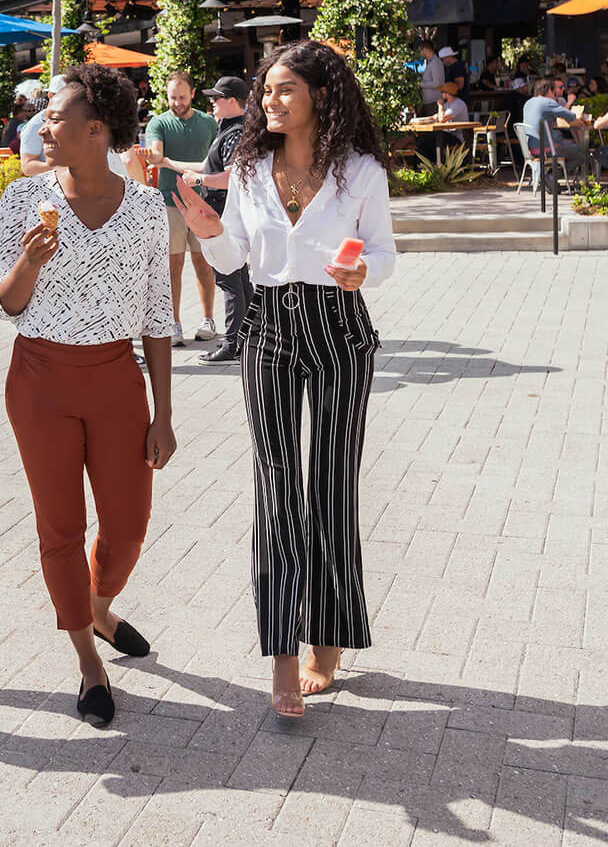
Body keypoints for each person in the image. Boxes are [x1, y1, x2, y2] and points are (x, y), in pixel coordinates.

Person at [174, 40, 396, 718]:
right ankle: (279, 653)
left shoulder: (359, 171)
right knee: (275, 487)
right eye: (266, 91)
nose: (269, 101)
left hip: (338, 329)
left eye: (283, 90)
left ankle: (326, 641)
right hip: (267, 328)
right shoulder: (247, 168)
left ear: (321, 97)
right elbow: (236, 256)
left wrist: (365, 272)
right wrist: (209, 231)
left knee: (331, 483)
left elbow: (383, 250)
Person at [0, 62, 175, 729]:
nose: (43, 123)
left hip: (117, 379)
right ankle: (87, 659)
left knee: (126, 525)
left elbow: (158, 314)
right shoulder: (18, 200)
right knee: (59, 526)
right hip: (39, 379)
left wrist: (165, 413)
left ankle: (97, 606)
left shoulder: (148, 208)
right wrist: (30, 262)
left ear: (96, 129)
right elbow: (5, 305)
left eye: (57, 113)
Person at [159, 75, 250, 364]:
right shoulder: (231, 129)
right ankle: (248, 338)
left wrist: (200, 179)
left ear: (232, 101)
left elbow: (233, 176)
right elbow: (209, 166)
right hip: (226, 213)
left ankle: (234, 343)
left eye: (217, 97)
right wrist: (169, 163)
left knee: (228, 277)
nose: (212, 102)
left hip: (224, 215)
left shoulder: (235, 132)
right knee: (238, 276)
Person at [143, 71, 219, 345]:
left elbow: (215, 160)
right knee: (173, 266)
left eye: (182, 97)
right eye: (172, 97)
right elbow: (156, 151)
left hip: (202, 201)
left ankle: (208, 319)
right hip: (170, 202)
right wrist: (153, 156)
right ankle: (174, 322)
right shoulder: (158, 122)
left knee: (203, 263)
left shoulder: (208, 122)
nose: (177, 102)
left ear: (193, 94)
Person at [521, 77, 585, 171]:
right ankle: (553, 177)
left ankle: (549, 176)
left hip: (530, 149)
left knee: (568, 146)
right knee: (581, 155)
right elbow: (571, 117)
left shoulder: (528, 103)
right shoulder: (548, 102)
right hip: (548, 149)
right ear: (549, 90)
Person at [416, 42, 444, 111]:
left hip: (434, 102)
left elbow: (437, 83)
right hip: (429, 102)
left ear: (425, 49)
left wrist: (420, 84)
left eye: (420, 50)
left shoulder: (435, 62)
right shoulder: (429, 62)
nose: (419, 53)